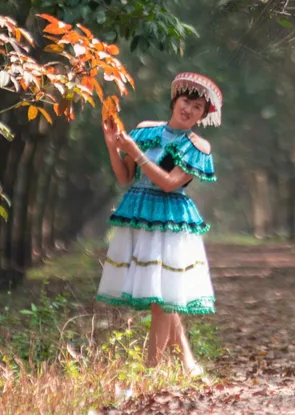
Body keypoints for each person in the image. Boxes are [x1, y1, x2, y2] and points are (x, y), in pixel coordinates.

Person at [96, 72, 222, 375]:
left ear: (203, 115)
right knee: (160, 294)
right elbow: (126, 177)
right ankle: (188, 364)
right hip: (141, 215)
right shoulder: (144, 130)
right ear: (174, 100)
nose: (188, 109)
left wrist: (135, 153)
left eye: (197, 107)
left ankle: (150, 370)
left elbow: (168, 183)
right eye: (185, 101)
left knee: (164, 297)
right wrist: (112, 145)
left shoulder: (198, 147)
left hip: (170, 221)